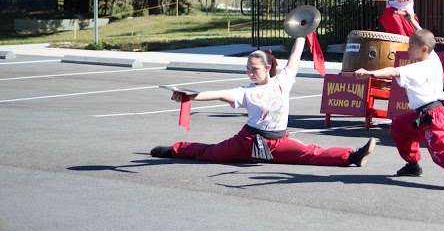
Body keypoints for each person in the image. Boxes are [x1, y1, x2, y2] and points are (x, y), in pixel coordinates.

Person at [150, 37, 376, 166]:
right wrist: (190, 96)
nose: (250, 72)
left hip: (278, 140)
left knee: (311, 153)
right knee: (212, 154)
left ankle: (353, 155)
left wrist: (302, 32)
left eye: (255, 69)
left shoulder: (283, 81)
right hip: (248, 140)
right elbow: (218, 93)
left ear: (268, 68)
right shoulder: (245, 92)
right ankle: (175, 150)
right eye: (248, 69)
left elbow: (296, 56)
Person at [356, 28, 444, 193]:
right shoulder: (433, 57)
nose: (408, 48)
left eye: (411, 46)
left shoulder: (419, 68)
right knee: (400, 127)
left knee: (441, 152)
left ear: (424, 49)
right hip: (422, 114)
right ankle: (413, 165)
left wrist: (370, 73)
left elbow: (393, 71)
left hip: (433, 117)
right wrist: (410, 19)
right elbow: (424, 35)